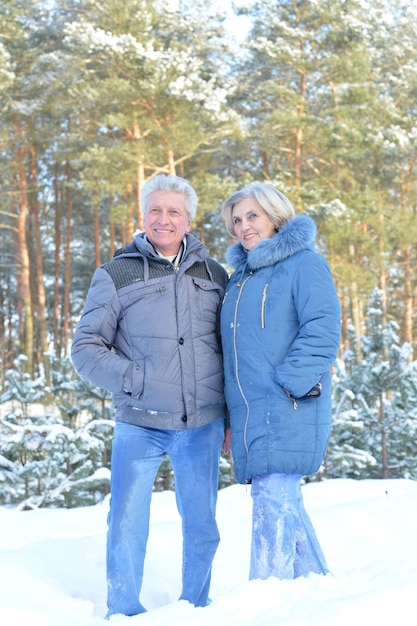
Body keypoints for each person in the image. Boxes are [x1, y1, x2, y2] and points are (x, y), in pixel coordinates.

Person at [71, 174, 230, 618]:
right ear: (143, 215)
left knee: (202, 524)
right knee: (125, 523)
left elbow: (228, 348)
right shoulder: (115, 273)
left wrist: (231, 418)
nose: (164, 219)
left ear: (188, 219)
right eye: (155, 210)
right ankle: (122, 611)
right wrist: (135, 379)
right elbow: (85, 349)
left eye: (173, 211)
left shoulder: (214, 273)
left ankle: (196, 608)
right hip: (139, 423)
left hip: (201, 423)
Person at [219, 182, 341, 581]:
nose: (243, 226)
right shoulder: (240, 279)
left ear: (276, 215)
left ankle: (267, 599)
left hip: (288, 403)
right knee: (280, 498)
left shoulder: (305, 263)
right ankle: (315, 587)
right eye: (237, 220)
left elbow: (322, 328)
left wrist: (291, 383)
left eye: (252, 215)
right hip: (251, 410)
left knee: (271, 497)